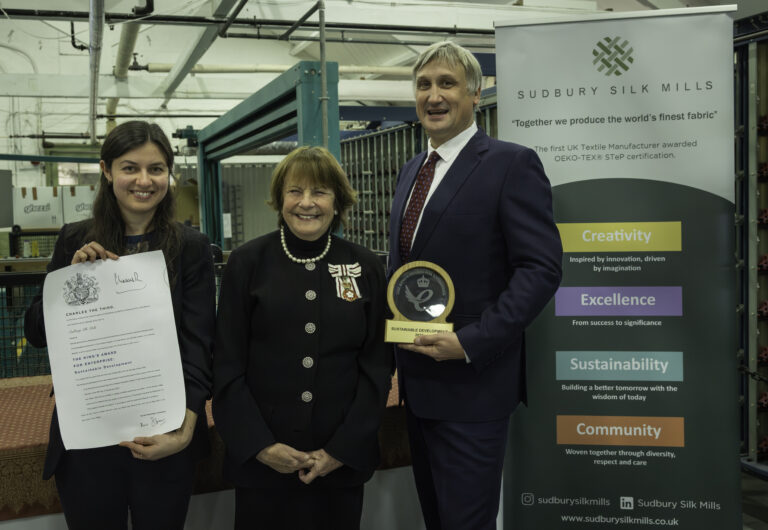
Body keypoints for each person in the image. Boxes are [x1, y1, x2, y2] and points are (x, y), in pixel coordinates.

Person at [388, 41, 563, 530]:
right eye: (424, 85)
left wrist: (470, 342)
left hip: (473, 388)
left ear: (475, 94)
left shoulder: (511, 164)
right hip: (418, 385)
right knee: (437, 519)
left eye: (447, 84)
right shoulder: (411, 171)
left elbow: (541, 268)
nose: (433, 96)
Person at [24, 120, 216, 530]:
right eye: (130, 168)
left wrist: (184, 431)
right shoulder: (73, 240)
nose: (144, 180)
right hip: (89, 438)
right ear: (107, 171)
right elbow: (36, 334)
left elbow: (200, 345)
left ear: (168, 174)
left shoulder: (191, 247)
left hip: (164, 436)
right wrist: (69, 281)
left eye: (156, 169)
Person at [212, 146, 393, 530]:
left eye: (320, 192)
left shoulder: (365, 266)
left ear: (338, 201)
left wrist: (341, 450)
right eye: (295, 191)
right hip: (263, 466)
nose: (306, 203)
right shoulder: (247, 263)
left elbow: (377, 367)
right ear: (279, 199)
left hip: (338, 465)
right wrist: (261, 446)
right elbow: (226, 365)